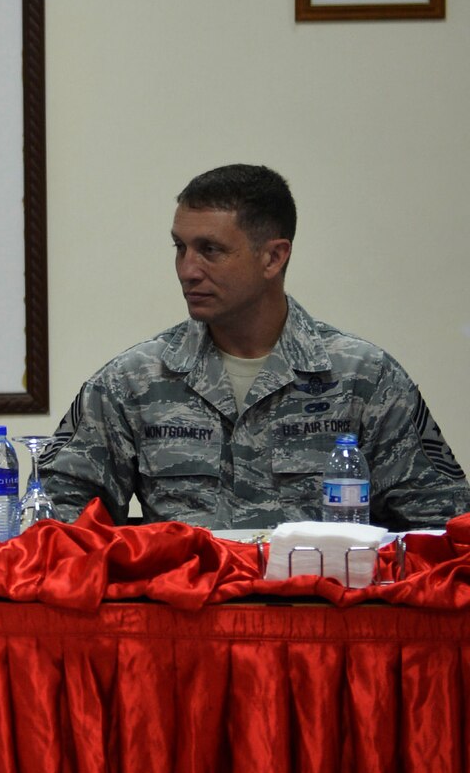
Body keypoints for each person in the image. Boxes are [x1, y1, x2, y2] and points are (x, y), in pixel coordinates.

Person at [40, 164, 469, 528]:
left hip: (320, 618)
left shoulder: (364, 379)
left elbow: (442, 526)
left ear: (273, 258)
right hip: (188, 617)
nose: (187, 270)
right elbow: (59, 518)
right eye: (180, 248)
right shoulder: (134, 380)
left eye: (210, 250)